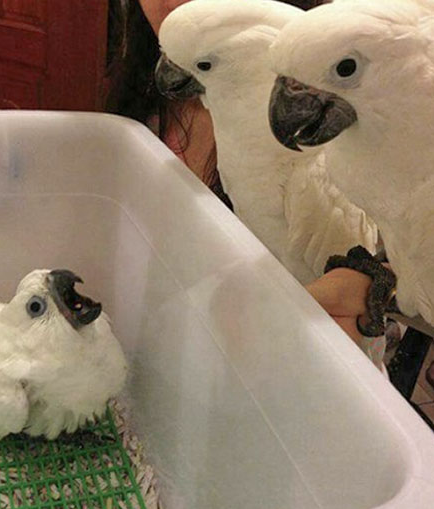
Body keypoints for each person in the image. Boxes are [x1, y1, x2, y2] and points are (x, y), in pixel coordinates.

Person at [106, 0, 372, 346]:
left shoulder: (317, 142)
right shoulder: (142, 95)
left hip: (285, 345)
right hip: (185, 331)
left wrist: (364, 293)